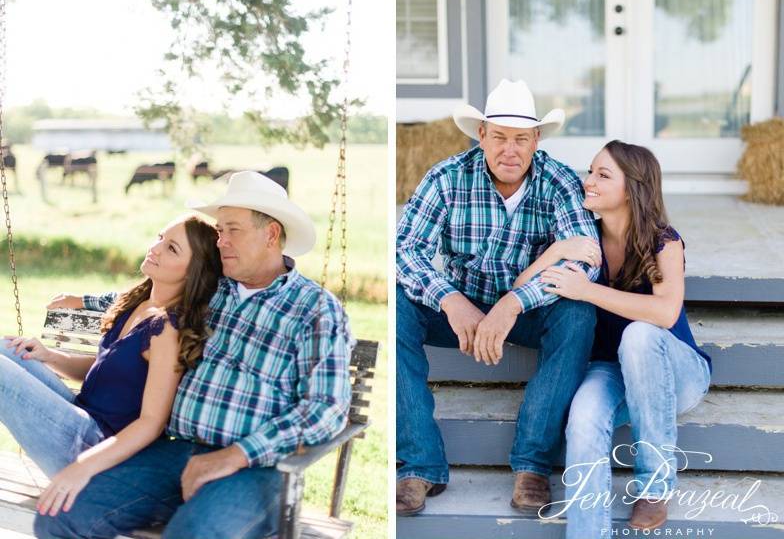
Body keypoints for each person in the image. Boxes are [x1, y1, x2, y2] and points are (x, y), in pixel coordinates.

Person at [34, 171, 354, 539]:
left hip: (255, 468)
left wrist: (234, 455)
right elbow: (145, 298)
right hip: (172, 453)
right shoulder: (211, 291)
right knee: (59, 514)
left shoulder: (314, 309)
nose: (221, 242)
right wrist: (83, 302)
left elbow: (326, 409)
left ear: (271, 235)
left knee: (192, 534)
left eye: (233, 230)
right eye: (219, 231)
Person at [396, 79, 600, 516]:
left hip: (526, 312)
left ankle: (532, 465)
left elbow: (584, 262)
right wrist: (451, 300)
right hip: (459, 312)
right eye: (500, 137)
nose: (510, 150)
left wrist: (512, 303)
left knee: (578, 312)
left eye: (521, 139)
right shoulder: (447, 178)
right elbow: (404, 250)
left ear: (536, 140)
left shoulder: (559, 181)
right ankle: (419, 465)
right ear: (481, 135)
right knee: (396, 307)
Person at [514, 140, 711, 536]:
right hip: (610, 370)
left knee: (639, 335)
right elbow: (519, 290)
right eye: (589, 172)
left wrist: (586, 291)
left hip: (676, 373)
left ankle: (655, 486)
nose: (588, 182)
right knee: (584, 420)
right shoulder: (582, 241)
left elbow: (665, 313)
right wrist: (556, 250)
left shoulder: (662, 241)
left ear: (633, 188)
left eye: (602, 175)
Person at [0, 215, 221, 517]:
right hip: (79, 416)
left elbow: (151, 423)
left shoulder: (168, 329)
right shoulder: (140, 303)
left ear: (193, 271)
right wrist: (50, 356)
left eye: (171, 249)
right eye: (159, 237)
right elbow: (107, 367)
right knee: (6, 349)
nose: (155, 248)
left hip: (91, 449)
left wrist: (81, 468)